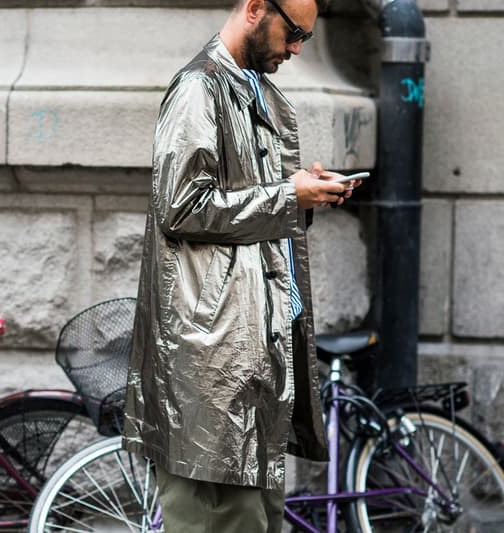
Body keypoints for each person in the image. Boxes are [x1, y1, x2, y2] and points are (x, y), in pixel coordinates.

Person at [122, 0, 358, 531]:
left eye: (306, 38)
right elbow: (180, 206)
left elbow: (253, 216)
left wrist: (305, 197)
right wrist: (286, 195)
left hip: (255, 364)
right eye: (293, 32)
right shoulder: (197, 89)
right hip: (212, 373)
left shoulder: (258, 94)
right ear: (255, 8)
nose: (297, 49)